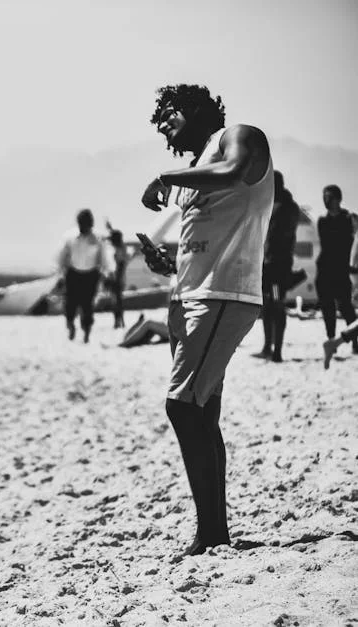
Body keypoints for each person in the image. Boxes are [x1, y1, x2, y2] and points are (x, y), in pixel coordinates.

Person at [142, 84, 273, 556]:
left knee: (182, 406)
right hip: (191, 293)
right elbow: (208, 238)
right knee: (203, 411)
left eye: (169, 112)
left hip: (222, 296)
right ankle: (214, 530)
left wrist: (163, 175)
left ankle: (212, 534)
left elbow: (236, 172)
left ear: (197, 109)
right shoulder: (198, 168)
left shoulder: (239, 137)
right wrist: (170, 262)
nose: (162, 125)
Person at [254, 171, 300, 362]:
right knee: (268, 306)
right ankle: (269, 347)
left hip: (275, 268)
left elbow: (275, 238)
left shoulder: (283, 207)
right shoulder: (279, 205)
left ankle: (276, 350)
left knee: (275, 305)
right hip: (269, 266)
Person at [316, 184, 358, 353]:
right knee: (328, 308)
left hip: (342, 270)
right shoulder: (323, 221)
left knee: (346, 307)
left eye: (329, 197)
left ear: (338, 199)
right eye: (324, 197)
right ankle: (331, 340)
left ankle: (354, 340)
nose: (326, 201)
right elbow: (328, 243)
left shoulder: (350, 219)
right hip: (325, 270)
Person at [57, 209, 108, 343]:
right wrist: (60, 275)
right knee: (70, 304)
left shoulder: (97, 239)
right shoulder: (69, 237)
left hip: (91, 275)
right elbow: (62, 257)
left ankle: (86, 333)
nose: (84, 227)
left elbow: (103, 258)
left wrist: (105, 274)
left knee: (87, 305)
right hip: (73, 273)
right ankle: (71, 326)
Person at [105, 223, 129, 329]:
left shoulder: (119, 249)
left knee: (116, 301)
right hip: (118, 277)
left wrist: (115, 278)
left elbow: (120, 265)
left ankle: (118, 322)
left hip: (117, 278)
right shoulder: (122, 247)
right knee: (117, 301)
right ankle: (120, 322)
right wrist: (110, 228)